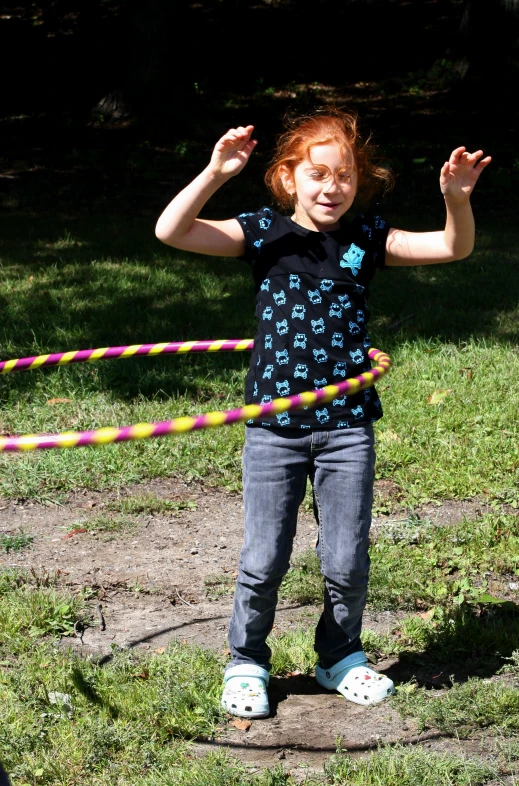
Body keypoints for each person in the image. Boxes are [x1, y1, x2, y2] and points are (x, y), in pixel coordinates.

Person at [155, 108, 491, 718]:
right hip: (274, 427)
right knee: (262, 556)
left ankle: (340, 655)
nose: (331, 187)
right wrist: (215, 171)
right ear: (288, 179)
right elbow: (171, 231)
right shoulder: (263, 232)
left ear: (357, 185)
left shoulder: (367, 239)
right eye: (316, 174)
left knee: (347, 556)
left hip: (346, 426)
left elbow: (451, 247)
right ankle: (246, 662)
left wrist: (457, 199)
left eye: (344, 177)